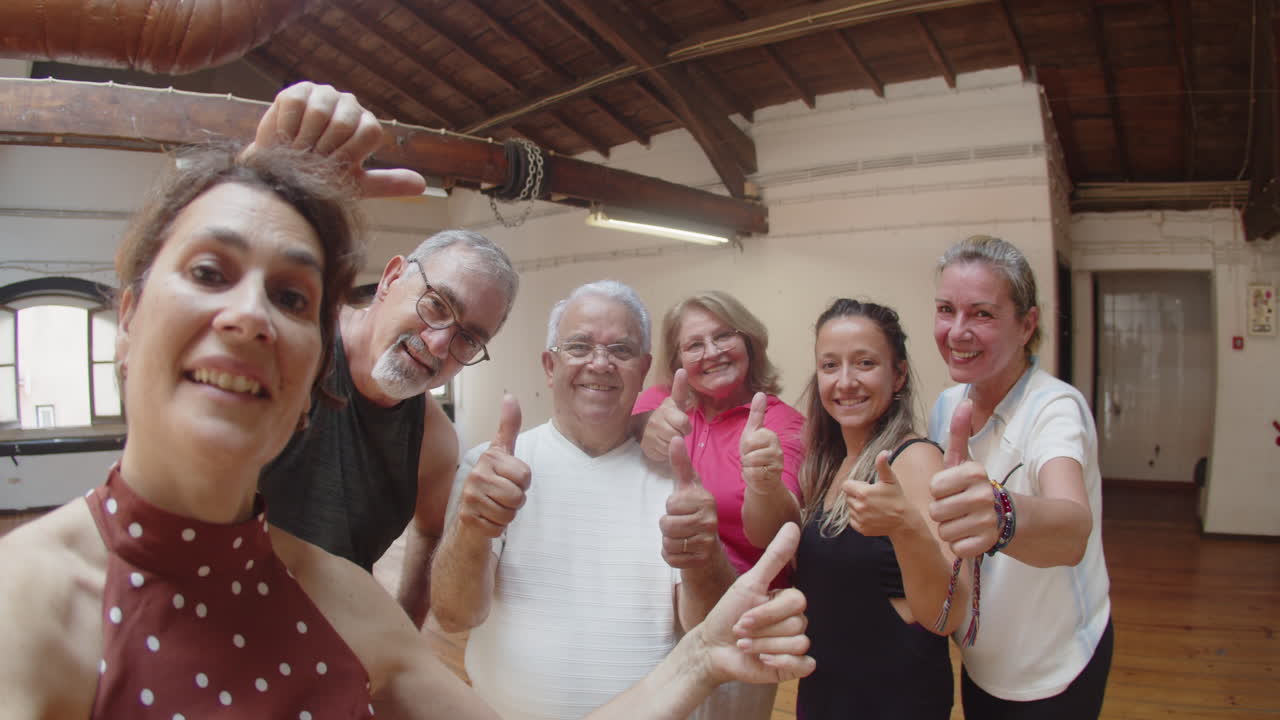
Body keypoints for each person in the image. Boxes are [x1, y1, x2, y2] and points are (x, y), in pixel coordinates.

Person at [0, 143, 814, 719]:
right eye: (210, 273)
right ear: (128, 314)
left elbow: (437, 608)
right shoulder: (27, 600)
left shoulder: (342, 603)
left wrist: (702, 657)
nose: (247, 317)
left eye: (289, 298)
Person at [250, 82, 520, 627]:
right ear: (393, 277)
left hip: (325, 649)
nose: (440, 343)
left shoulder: (433, 442)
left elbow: (427, 530)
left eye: (470, 338)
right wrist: (259, 186)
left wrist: (400, 627)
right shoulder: (288, 339)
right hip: (200, 626)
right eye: (437, 304)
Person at [430, 280, 742, 719]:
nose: (600, 363)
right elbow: (454, 614)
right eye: (579, 346)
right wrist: (470, 530)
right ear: (549, 365)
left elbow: (707, 626)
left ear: (643, 368)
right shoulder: (493, 469)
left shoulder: (679, 482)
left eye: (621, 350)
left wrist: (704, 557)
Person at [927, 235, 1113, 718]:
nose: (957, 331)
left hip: (1055, 666)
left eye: (982, 314)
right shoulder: (948, 406)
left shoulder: (1055, 410)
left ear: (1027, 324)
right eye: (946, 309)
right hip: (982, 659)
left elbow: (1072, 528)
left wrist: (1000, 512)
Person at [784, 298, 965, 719]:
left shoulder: (915, 460)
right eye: (830, 366)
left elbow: (946, 613)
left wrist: (906, 527)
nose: (845, 381)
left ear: (898, 374)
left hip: (892, 699)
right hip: (825, 693)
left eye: (864, 363)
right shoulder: (828, 465)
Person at [633, 291, 806, 719]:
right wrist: (640, 426)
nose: (711, 353)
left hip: (737, 619)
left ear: (749, 342)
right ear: (677, 359)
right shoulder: (659, 402)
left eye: (724, 336)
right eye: (694, 345)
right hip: (653, 612)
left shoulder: (782, 423)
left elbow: (770, 535)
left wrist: (763, 482)